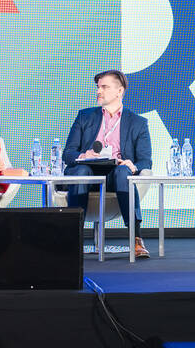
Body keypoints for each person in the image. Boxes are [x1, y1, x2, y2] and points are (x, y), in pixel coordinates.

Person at [63, 70, 153, 259]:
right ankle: (72, 238)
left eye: (104, 87)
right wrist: (84, 155)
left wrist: (132, 165)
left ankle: (136, 238)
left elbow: (145, 160)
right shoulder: (84, 116)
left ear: (120, 91)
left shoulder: (138, 123)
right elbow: (68, 153)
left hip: (116, 176)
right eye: (98, 87)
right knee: (81, 170)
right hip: (88, 173)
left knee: (122, 172)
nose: (99, 91)